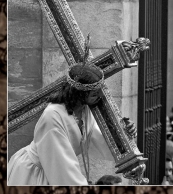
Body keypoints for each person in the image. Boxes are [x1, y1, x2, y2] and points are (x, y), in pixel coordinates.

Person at [7, 61, 136, 185]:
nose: (100, 96)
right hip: (35, 174)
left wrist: (124, 135)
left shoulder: (85, 109)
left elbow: (96, 139)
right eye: (94, 94)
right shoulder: (52, 116)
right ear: (79, 94)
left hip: (56, 170)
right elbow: (62, 166)